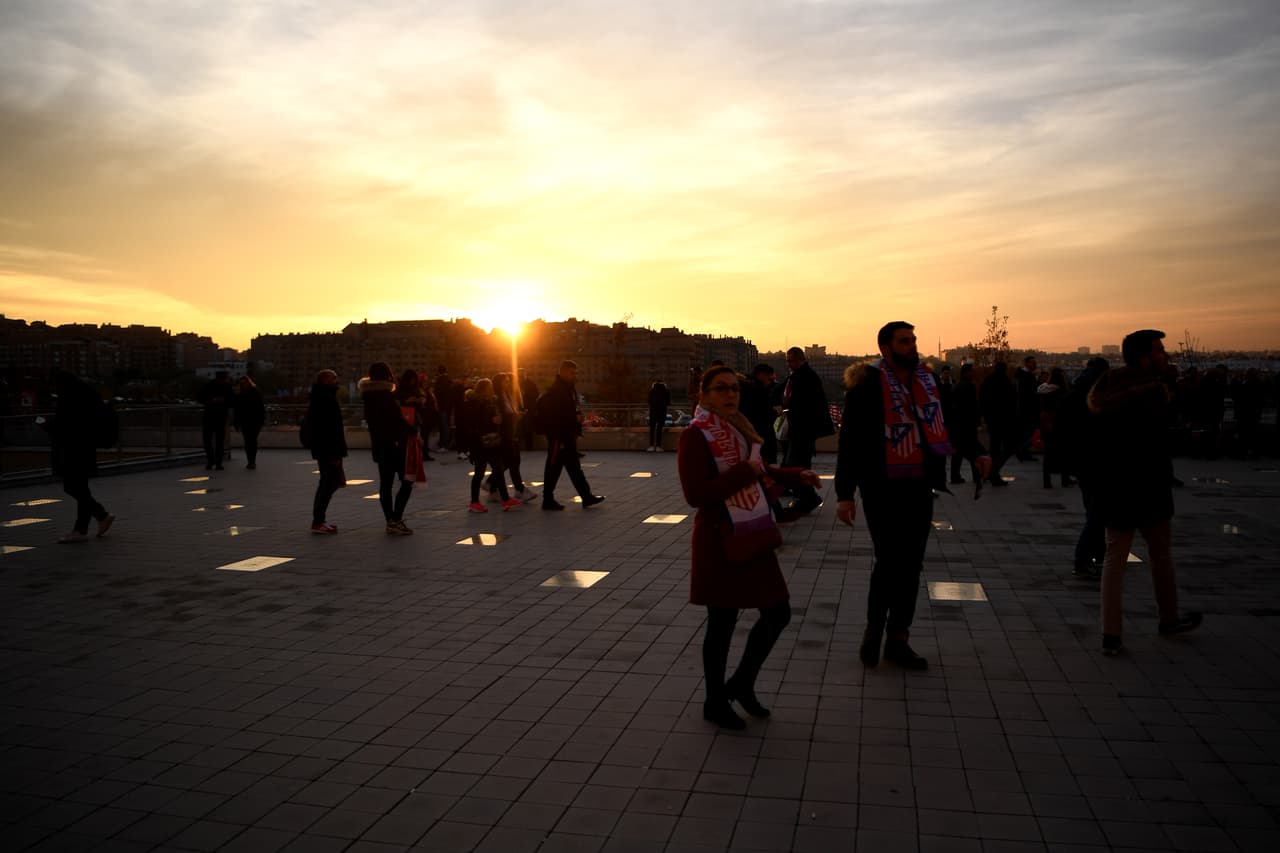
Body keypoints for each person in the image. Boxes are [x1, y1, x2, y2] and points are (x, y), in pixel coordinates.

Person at [835, 322, 992, 670]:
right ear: (885, 348)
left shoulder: (927, 380)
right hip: (880, 486)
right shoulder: (867, 384)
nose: (912, 346)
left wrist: (976, 452)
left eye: (913, 340)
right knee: (889, 561)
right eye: (905, 341)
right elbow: (851, 441)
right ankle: (874, 630)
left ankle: (898, 639)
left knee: (911, 564)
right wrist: (844, 493)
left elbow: (948, 423)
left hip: (919, 485)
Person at [678, 365, 821, 729]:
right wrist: (745, 472)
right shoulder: (695, 435)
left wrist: (796, 475)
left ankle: (741, 683)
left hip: (751, 531)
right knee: (721, 623)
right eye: (721, 388)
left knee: (778, 612)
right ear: (703, 394)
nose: (730, 394)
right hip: (719, 537)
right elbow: (696, 495)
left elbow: (761, 469)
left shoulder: (738, 427)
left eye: (734, 388)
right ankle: (715, 701)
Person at [1088, 330, 1201, 656]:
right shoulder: (1155, 392)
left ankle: (1111, 633)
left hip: (1116, 485)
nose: (1165, 354)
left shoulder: (1106, 388)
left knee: (1114, 560)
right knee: (1160, 555)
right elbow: (1167, 432)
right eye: (1159, 350)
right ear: (1144, 357)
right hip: (1150, 483)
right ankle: (1169, 618)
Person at [45, 370, 115, 544]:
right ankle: (82, 529)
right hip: (85, 448)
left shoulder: (69, 397)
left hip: (72, 450)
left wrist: (46, 425)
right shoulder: (86, 393)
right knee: (81, 488)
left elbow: (65, 425)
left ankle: (100, 516)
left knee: (73, 487)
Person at [1056, 357, 1110, 577]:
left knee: (1093, 508)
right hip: (1099, 459)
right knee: (1099, 512)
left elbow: (1061, 430)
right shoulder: (1100, 398)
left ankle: (1097, 554)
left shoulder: (1071, 395)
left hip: (1080, 461)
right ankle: (1085, 556)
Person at [539, 360, 604, 511]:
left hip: (566, 435)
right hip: (559, 436)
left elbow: (570, 409)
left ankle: (586, 496)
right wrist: (574, 418)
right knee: (554, 468)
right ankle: (548, 500)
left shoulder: (568, 389)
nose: (575, 376)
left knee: (573, 468)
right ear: (562, 372)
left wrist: (576, 419)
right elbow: (556, 415)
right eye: (572, 373)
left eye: (575, 373)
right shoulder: (557, 390)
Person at [360, 362, 415, 535]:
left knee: (386, 484)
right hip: (395, 445)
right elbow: (397, 420)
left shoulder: (368, 396)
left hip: (380, 446)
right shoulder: (386, 395)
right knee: (407, 481)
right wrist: (412, 430)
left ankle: (390, 520)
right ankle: (396, 519)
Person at [779, 347, 834, 514]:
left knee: (796, 465)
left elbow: (800, 403)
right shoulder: (802, 375)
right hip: (803, 429)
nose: (789, 364)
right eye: (787, 361)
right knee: (797, 465)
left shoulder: (803, 377)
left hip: (802, 429)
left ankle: (808, 498)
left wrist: (785, 408)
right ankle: (805, 497)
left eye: (791, 361)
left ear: (800, 359)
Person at [463, 378, 521, 512]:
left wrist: (498, 420)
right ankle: (474, 502)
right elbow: (473, 423)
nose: (491, 391)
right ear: (482, 390)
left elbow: (493, 418)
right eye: (489, 388)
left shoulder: (491, 402)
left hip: (492, 441)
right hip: (480, 443)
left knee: (498, 469)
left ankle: (506, 499)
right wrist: (491, 420)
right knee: (479, 472)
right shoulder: (473, 404)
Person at [486, 372, 537, 503]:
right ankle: (518, 489)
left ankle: (492, 485)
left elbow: (510, 413)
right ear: (499, 383)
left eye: (509, 381)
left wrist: (518, 415)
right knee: (511, 462)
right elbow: (497, 417)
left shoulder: (507, 395)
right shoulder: (496, 398)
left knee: (512, 462)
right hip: (504, 435)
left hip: (512, 433)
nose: (508, 384)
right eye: (506, 381)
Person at [307, 369, 347, 533]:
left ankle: (319, 520)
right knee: (328, 483)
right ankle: (318, 521)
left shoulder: (322, 397)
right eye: (334, 378)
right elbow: (329, 429)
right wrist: (334, 452)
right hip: (328, 449)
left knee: (328, 482)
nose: (337, 381)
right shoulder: (325, 399)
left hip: (326, 448)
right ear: (326, 381)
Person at [979, 361, 1017, 486]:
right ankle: (993, 472)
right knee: (1007, 448)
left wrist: (985, 417)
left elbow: (982, 400)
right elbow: (1011, 401)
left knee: (994, 447)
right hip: (1004, 420)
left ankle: (992, 472)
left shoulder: (988, 381)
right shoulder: (1005, 382)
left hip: (992, 420)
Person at [1036, 367, 1074, 488]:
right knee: (1064, 452)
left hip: (1045, 423)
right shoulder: (1061, 392)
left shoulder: (1043, 389)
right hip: (1059, 423)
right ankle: (1065, 479)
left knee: (1048, 453)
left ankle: (1046, 481)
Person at [946, 364, 983, 485]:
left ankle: (955, 476)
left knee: (958, 451)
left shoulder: (956, 386)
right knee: (974, 451)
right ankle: (976, 475)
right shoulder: (969, 386)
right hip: (968, 423)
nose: (974, 373)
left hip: (958, 423)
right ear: (966, 372)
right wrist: (977, 421)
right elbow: (972, 406)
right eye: (972, 371)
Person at [740, 363, 780, 466]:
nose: (769, 381)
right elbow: (763, 414)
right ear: (762, 375)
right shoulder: (757, 390)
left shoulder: (745, 386)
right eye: (769, 378)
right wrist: (775, 412)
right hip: (760, 435)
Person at [395, 369, 429, 489]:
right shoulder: (400, 390)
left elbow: (422, 402)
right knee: (404, 448)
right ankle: (403, 473)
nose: (413, 382)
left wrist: (420, 401)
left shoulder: (416, 389)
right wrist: (406, 401)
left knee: (414, 447)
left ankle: (411, 472)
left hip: (414, 419)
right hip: (404, 420)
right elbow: (397, 403)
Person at [197, 370, 233, 470]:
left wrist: (221, 400)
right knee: (212, 441)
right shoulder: (224, 387)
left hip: (213, 416)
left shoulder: (209, 386)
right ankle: (214, 461)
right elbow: (200, 397)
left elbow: (232, 401)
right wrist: (213, 400)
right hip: (216, 416)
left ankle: (215, 462)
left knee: (215, 441)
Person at [232, 375, 266, 470]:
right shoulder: (244, 393)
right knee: (249, 441)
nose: (243, 384)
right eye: (242, 383)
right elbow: (237, 410)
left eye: (244, 382)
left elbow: (260, 407)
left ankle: (251, 461)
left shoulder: (252, 392)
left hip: (253, 421)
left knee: (251, 441)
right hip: (247, 421)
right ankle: (251, 461)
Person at [1015, 355, 1040, 461]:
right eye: (1033, 362)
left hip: (1024, 409)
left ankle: (1024, 453)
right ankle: (1023, 451)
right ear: (1027, 364)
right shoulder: (1027, 376)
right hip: (1027, 409)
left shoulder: (1022, 375)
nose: (1035, 364)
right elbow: (1029, 394)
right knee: (1027, 432)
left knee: (1026, 432)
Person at [647, 378, 671, 452]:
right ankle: (658, 446)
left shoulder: (651, 390)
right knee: (659, 429)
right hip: (662, 411)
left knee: (652, 429)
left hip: (653, 411)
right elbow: (668, 402)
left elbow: (649, 401)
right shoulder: (666, 391)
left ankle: (651, 446)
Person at [518, 369, 540, 452]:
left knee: (528, 429)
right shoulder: (515, 383)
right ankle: (519, 447)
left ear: (525, 374)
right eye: (519, 375)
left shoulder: (531, 384)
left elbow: (536, 395)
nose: (521, 377)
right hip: (519, 409)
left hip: (529, 410)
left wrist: (525, 394)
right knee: (519, 428)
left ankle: (529, 447)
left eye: (522, 375)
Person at [433, 365, 453, 451]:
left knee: (443, 426)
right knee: (446, 425)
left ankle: (444, 445)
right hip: (448, 405)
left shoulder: (440, 379)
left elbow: (437, 392)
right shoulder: (449, 379)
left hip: (442, 405)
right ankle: (445, 444)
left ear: (438, 371)